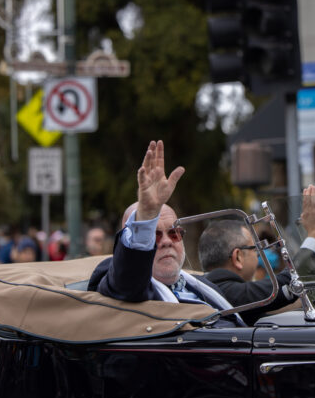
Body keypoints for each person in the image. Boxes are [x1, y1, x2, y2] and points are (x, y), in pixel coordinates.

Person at [88, 140, 244, 327]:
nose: (167, 242)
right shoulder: (124, 285)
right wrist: (146, 215)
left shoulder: (201, 285)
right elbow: (129, 275)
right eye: (154, 235)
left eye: (174, 233)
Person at [198, 186, 315, 325]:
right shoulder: (224, 292)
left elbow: (272, 307)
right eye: (255, 249)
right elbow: (290, 281)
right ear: (237, 257)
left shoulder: (213, 289)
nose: (258, 255)